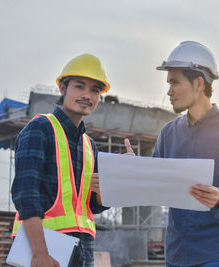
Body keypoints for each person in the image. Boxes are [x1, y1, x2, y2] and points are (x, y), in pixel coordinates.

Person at [11, 54, 131, 267]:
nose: (87, 95)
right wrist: (39, 253)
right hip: (45, 250)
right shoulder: (41, 128)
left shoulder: (88, 145)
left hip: (81, 249)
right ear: (63, 88)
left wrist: (112, 182)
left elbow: (90, 206)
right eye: (79, 86)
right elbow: (26, 194)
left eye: (95, 90)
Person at [154, 41, 219, 267]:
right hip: (176, 253)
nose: (169, 91)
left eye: (175, 82)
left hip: (215, 252)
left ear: (199, 83)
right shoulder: (168, 133)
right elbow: (155, 185)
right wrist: (134, 168)